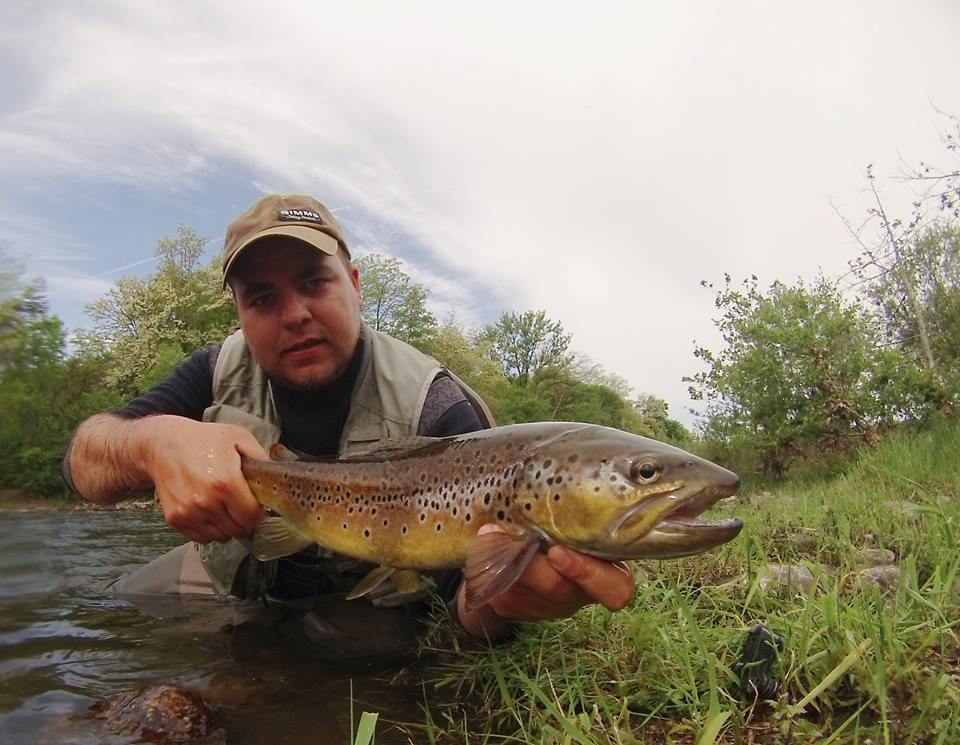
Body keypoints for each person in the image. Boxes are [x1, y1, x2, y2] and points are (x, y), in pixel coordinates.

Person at [64, 193, 635, 652]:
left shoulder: (439, 406)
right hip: (237, 581)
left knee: (348, 658)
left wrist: (503, 603)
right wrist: (153, 441)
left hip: (368, 606)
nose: (295, 315)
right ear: (239, 314)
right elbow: (85, 463)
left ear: (355, 286)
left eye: (314, 282)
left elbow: (472, 606)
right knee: (122, 609)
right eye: (262, 298)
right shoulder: (213, 370)